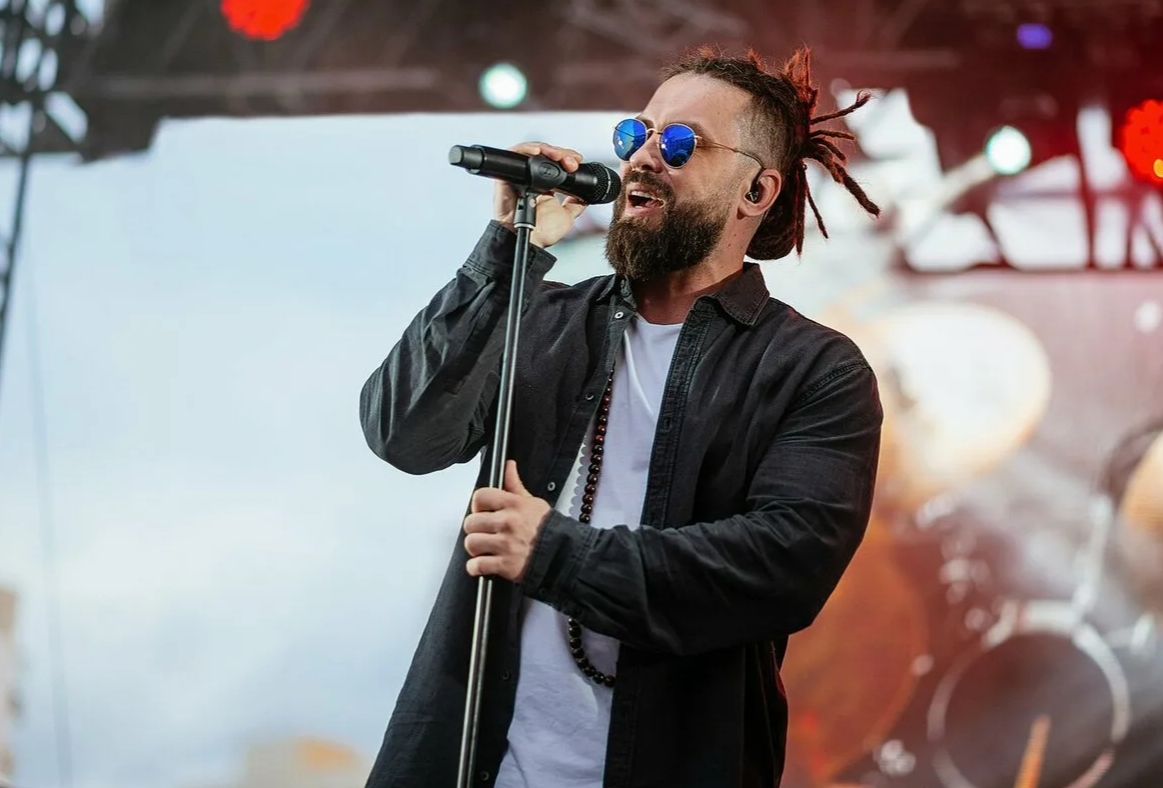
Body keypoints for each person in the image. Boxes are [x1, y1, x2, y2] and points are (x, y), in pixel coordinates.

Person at [360, 45, 883, 788]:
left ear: (756, 190)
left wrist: (553, 553)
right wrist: (504, 253)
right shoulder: (541, 320)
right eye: (634, 134)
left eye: (681, 143)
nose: (641, 158)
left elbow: (782, 567)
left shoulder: (812, 370)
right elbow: (404, 433)